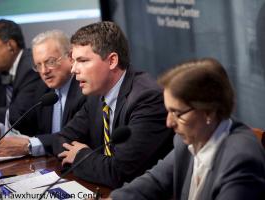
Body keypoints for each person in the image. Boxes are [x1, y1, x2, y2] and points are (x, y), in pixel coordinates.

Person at [13, 21, 172, 188]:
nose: (74, 69)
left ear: (112, 61)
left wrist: (81, 155)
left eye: (82, 60)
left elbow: (119, 172)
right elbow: (61, 139)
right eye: (73, 61)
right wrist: (95, 163)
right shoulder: (96, 95)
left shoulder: (147, 98)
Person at [108, 58, 265, 200]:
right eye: (168, 111)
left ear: (209, 111)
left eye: (177, 113)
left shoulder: (241, 159)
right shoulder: (187, 139)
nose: (169, 122)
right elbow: (155, 182)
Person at [0, 30, 86, 157]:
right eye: (38, 65)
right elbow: (27, 122)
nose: (44, 71)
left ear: (70, 57)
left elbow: (74, 137)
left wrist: (30, 145)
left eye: (50, 62)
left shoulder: (83, 90)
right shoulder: (43, 89)